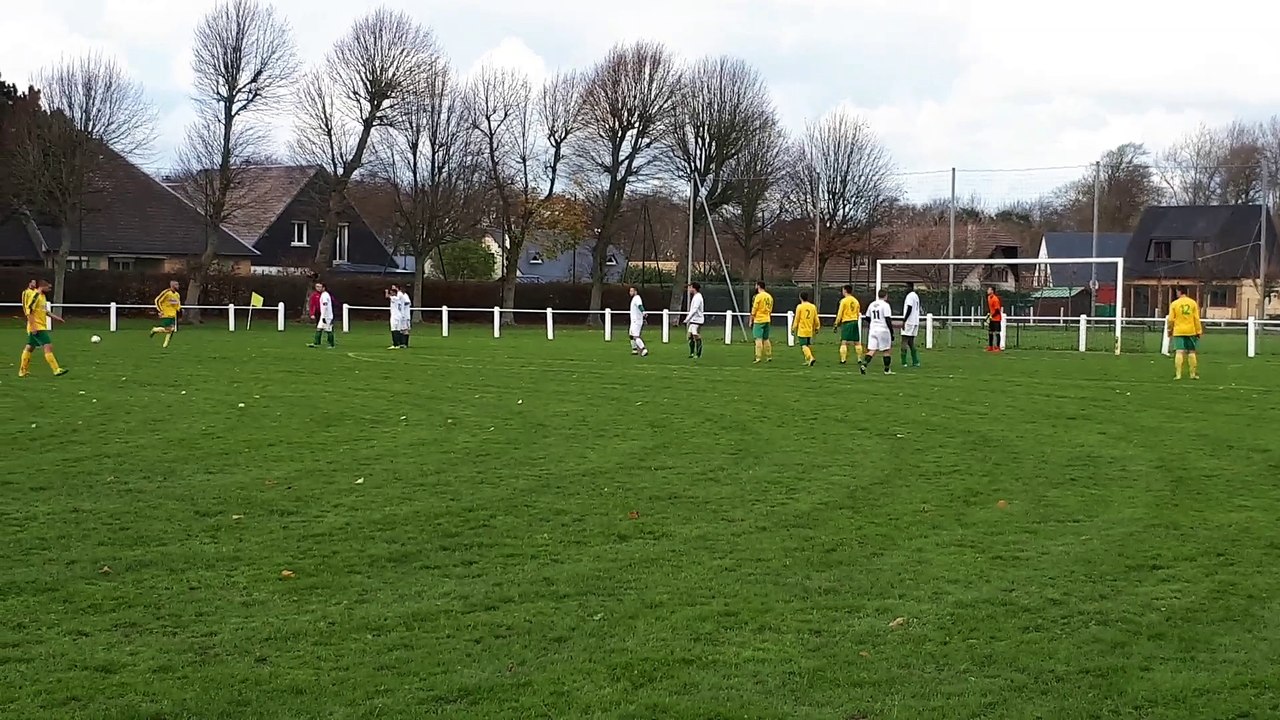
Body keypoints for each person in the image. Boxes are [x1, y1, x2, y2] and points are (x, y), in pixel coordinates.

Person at [19, 279, 67, 377]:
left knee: (29, 348)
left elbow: (45, 311)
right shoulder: (35, 296)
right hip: (37, 326)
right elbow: (29, 312)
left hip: (39, 325)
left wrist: (57, 318)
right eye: (48, 287)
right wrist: (33, 327)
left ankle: (22, 371)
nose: (49, 289)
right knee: (48, 346)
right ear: (42, 286)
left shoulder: (42, 296)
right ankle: (56, 369)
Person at [1167, 286, 1203, 380]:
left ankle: (1178, 375)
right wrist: (1199, 331)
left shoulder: (1174, 304)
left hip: (1178, 331)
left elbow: (1170, 319)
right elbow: (1196, 318)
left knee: (1179, 352)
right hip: (1191, 330)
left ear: (1179, 292)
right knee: (1191, 352)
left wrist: (1169, 330)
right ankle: (1192, 374)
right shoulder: (1192, 303)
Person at [860, 288, 894, 375]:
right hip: (883, 329)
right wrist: (891, 331)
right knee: (886, 350)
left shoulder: (872, 304)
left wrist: (873, 322)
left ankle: (864, 364)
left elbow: (867, 317)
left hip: (873, 330)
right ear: (886, 296)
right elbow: (887, 319)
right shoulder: (885, 305)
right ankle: (887, 370)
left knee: (872, 350)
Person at [833, 284, 863, 365]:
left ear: (845, 291)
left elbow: (840, 313)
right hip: (855, 321)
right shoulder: (856, 301)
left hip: (847, 322)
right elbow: (858, 313)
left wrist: (836, 323)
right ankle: (859, 359)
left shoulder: (844, 301)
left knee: (844, 342)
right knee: (857, 342)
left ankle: (843, 360)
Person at [791, 291, 821, 366]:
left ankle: (810, 358)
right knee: (808, 345)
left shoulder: (800, 307)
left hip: (802, 329)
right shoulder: (813, 306)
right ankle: (807, 360)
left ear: (800, 297)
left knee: (803, 345)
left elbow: (797, 319)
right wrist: (817, 327)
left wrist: (793, 328)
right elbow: (816, 318)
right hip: (809, 329)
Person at [150, 280, 181, 348]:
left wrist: (178, 308)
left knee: (171, 330)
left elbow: (178, 303)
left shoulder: (177, 294)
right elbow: (157, 300)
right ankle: (155, 329)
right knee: (168, 329)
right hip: (166, 314)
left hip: (173, 314)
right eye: (176, 285)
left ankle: (165, 345)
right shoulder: (166, 292)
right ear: (172, 286)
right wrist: (160, 310)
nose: (178, 286)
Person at [750, 281, 774, 364]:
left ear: (758, 286)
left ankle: (758, 357)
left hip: (759, 320)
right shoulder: (769, 296)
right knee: (766, 339)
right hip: (767, 319)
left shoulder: (759, 296)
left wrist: (751, 319)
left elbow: (754, 308)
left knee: (758, 339)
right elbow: (771, 308)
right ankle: (769, 356)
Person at [900, 282, 922, 367]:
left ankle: (904, 362)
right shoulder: (916, 296)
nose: (905, 289)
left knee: (904, 341)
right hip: (915, 321)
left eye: (906, 287)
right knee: (911, 342)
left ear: (910, 287)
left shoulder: (909, 296)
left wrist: (904, 320)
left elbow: (909, 308)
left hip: (909, 321)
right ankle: (915, 361)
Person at [308, 282, 335, 349]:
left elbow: (325, 305)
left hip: (326, 316)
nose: (319, 288)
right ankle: (316, 343)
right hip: (323, 316)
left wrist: (324, 316)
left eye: (320, 287)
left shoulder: (325, 295)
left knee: (328, 329)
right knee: (319, 328)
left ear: (324, 288)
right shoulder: (323, 295)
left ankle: (331, 344)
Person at [684, 282, 705, 359]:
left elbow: (695, 310)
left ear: (694, 288)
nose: (689, 289)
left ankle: (698, 354)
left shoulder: (698, 297)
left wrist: (687, 319)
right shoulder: (695, 297)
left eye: (690, 287)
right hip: (693, 319)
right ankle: (692, 353)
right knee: (690, 336)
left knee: (696, 335)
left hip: (697, 320)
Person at [387, 284, 411, 349]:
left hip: (403, 315)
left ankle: (402, 343)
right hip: (400, 315)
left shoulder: (399, 295)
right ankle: (400, 343)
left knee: (402, 329)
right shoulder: (399, 297)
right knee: (400, 329)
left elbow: (407, 302)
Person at [627, 286, 648, 357]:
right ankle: (634, 349)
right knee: (631, 335)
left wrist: (643, 312)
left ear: (635, 292)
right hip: (634, 321)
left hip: (636, 320)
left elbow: (640, 306)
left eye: (631, 291)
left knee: (635, 336)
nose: (630, 292)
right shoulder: (634, 299)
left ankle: (643, 349)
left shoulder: (637, 298)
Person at [985, 286, 1003, 352]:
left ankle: (997, 347)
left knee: (997, 333)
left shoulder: (995, 299)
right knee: (990, 332)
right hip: (992, 318)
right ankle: (990, 346)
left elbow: (997, 310)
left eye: (989, 289)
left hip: (997, 319)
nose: (987, 291)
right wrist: (989, 315)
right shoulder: (989, 298)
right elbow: (991, 308)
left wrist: (992, 316)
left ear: (992, 291)